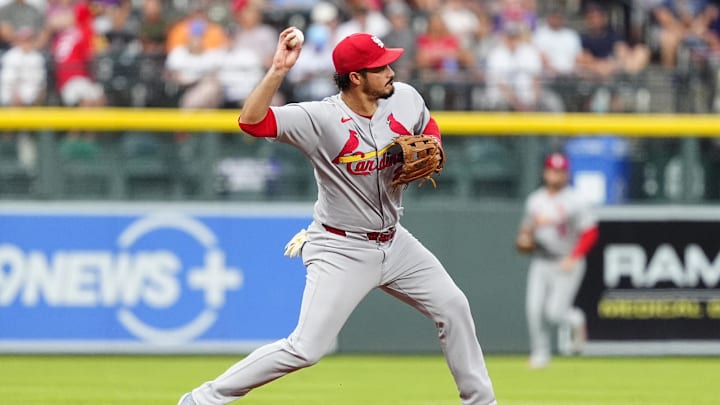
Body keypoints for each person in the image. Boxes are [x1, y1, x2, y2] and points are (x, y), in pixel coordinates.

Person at [177, 29, 498, 405]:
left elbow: (427, 127)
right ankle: (203, 399)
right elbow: (252, 122)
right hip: (340, 247)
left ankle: (481, 402)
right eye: (380, 67)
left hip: (395, 242)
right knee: (305, 349)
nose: (391, 71)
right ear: (356, 77)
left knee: (453, 306)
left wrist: (435, 145)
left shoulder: (405, 97)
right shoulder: (321, 117)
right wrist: (278, 69)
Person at [515, 152, 599, 369]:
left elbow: (590, 232)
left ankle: (576, 319)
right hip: (541, 259)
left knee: (554, 313)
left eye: (560, 171)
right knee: (533, 309)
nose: (556, 175)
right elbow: (527, 230)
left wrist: (575, 256)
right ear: (545, 172)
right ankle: (540, 354)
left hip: (566, 260)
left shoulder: (576, 200)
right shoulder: (535, 200)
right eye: (552, 170)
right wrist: (525, 237)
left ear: (566, 174)